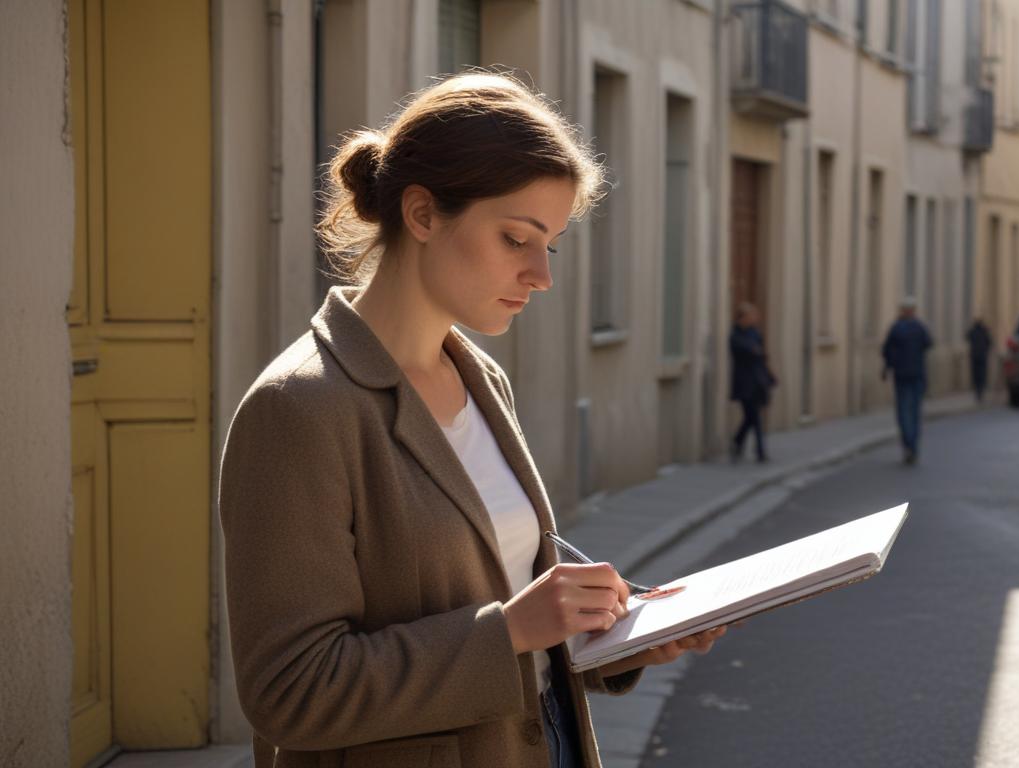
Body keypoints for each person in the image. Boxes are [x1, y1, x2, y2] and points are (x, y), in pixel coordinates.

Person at [219, 73, 725, 768]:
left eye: (548, 245)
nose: (540, 275)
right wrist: (510, 630)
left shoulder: (480, 377)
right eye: (516, 238)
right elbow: (290, 692)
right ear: (422, 214)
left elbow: (503, 579)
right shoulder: (299, 410)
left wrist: (623, 627)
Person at [881, 297, 933, 464]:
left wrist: (888, 367)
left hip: (902, 374)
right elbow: (929, 343)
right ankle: (913, 445)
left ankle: (908, 444)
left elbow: (886, 350)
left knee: (904, 411)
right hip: (917, 374)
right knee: (914, 412)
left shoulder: (897, 328)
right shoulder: (919, 327)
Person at [729, 302, 775, 463]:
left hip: (757, 381)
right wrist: (754, 351)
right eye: (751, 316)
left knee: (751, 417)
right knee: (754, 417)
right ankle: (760, 451)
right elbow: (750, 352)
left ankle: (738, 441)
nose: (754, 319)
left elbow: (761, 356)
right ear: (742, 317)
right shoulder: (735, 335)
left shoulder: (755, 334)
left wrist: (769, 377)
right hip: (744, 383)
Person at [965, 317, 993, 403]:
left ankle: (978, 392)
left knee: (976, 375)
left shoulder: (974, 331)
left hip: (975, 356)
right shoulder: (984, 332)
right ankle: (980, 392)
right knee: (981, 375)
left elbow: (967, 337)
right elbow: (990, 342)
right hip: (982, 356)